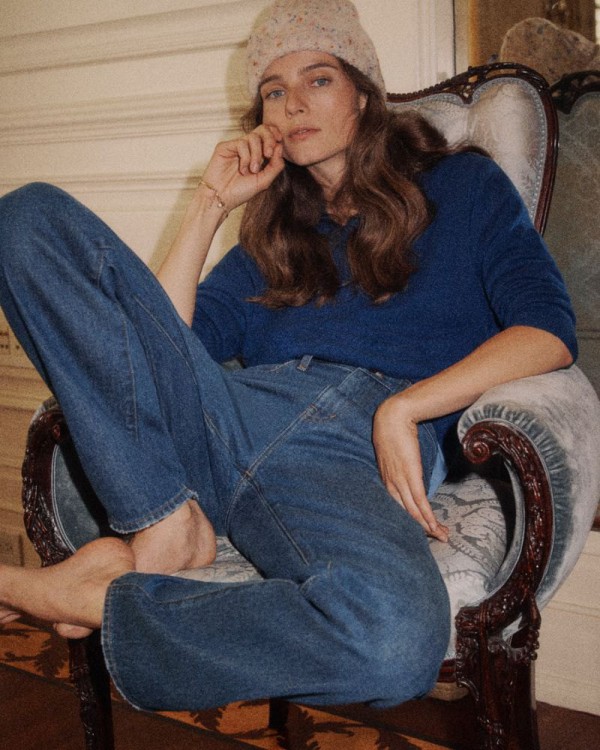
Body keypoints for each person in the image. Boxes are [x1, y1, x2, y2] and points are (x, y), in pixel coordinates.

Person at [0, 0, 576, 713]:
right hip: (228, 418)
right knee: (25, 219)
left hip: (352, 454)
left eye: (318, 79)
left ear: (363, 93)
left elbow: (549, 332)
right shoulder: (270, 235)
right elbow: (157, 350)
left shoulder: (464, 188)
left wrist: (405, 408)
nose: (293, 103)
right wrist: (211, 203)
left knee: (395, 642)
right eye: (274, 90)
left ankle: (89, 598)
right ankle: (166, 523)